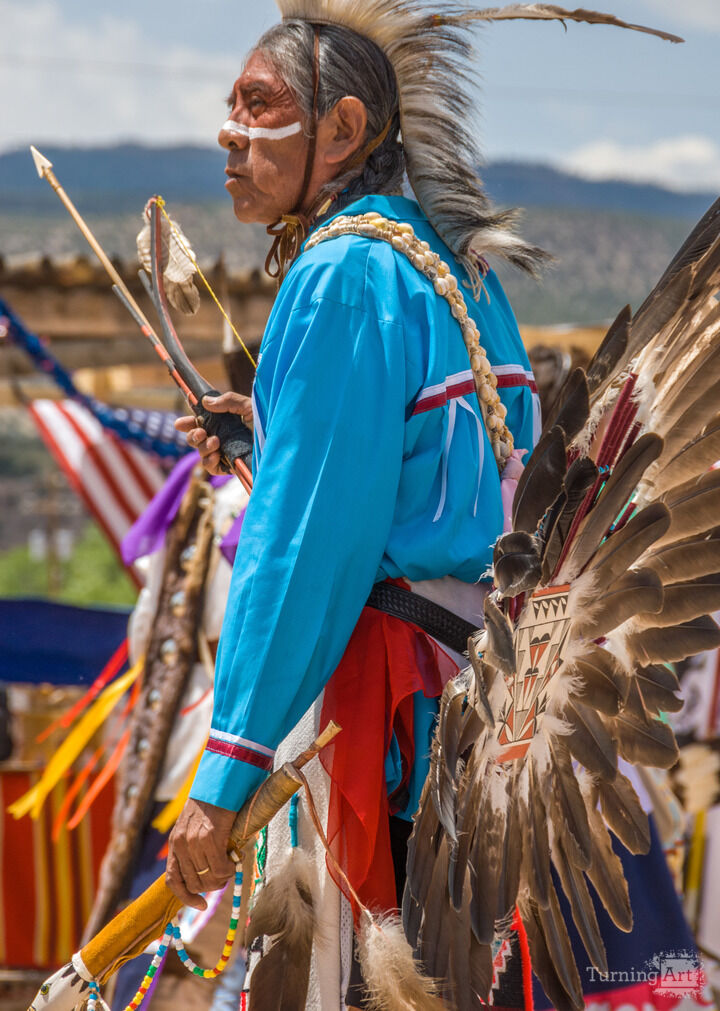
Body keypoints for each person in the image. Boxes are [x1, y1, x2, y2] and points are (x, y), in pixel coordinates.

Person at [168, 7, 542, 1007]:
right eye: (231, 107)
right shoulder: (453, 263)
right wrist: (272, 439)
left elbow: (304, 551)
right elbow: (450, 487)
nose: (229, 133)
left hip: (389, 718)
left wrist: (225, 770)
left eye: (260, 106)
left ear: (339, 133)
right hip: (484, 717)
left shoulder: (339, 272)